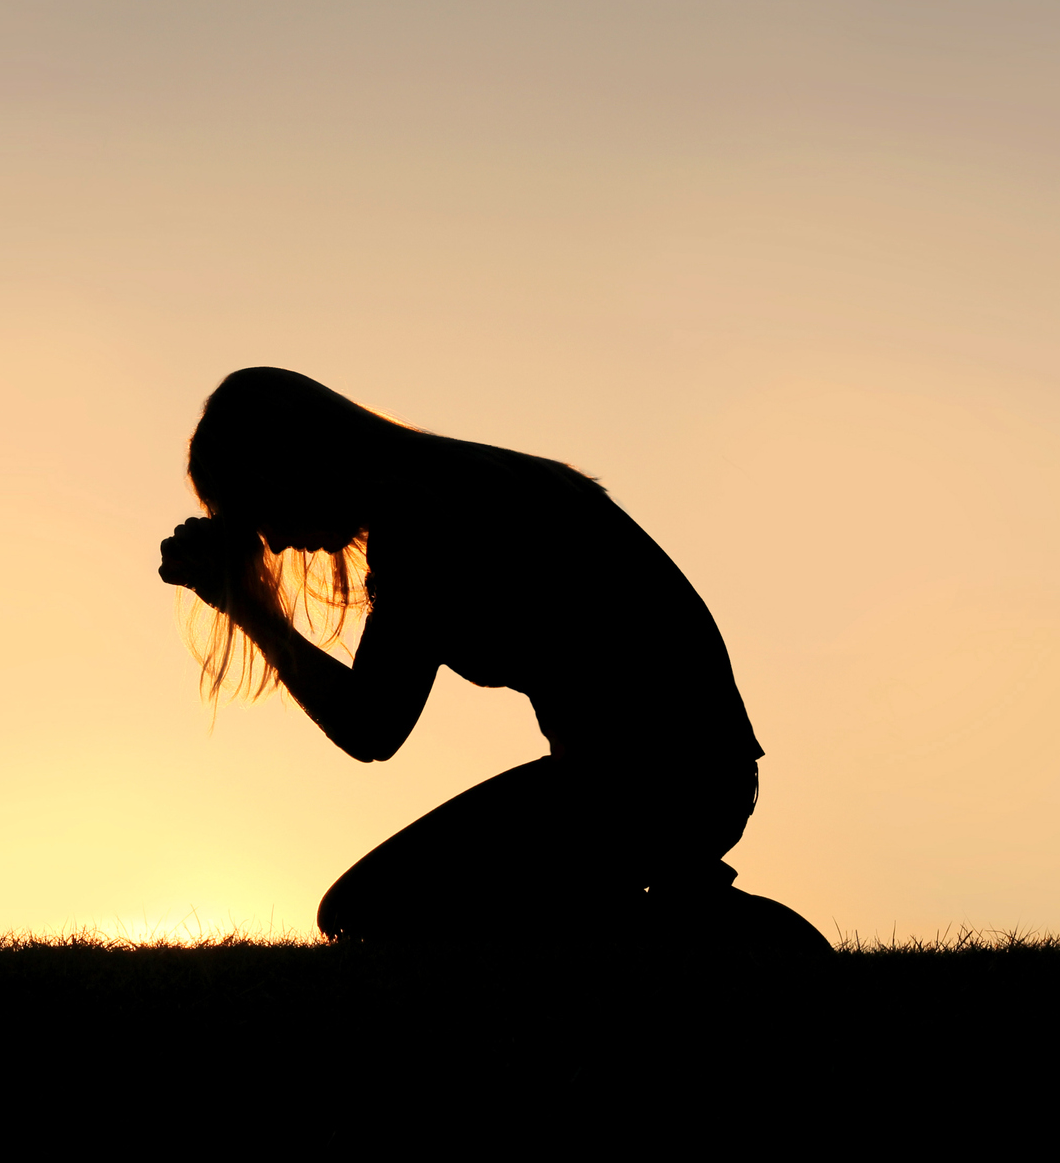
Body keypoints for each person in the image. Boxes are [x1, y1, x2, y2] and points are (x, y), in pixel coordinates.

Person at [157, 367, 820, 949]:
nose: (269, 542)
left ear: (291, 467)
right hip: (684, 775)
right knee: (386, 907)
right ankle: (680, 911)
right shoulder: (463, 481)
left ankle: (700, 930)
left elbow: (371, 727)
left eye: (258, 511)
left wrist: (247, 609)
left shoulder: (419, 519)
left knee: (366, 913)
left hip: (648, 784)